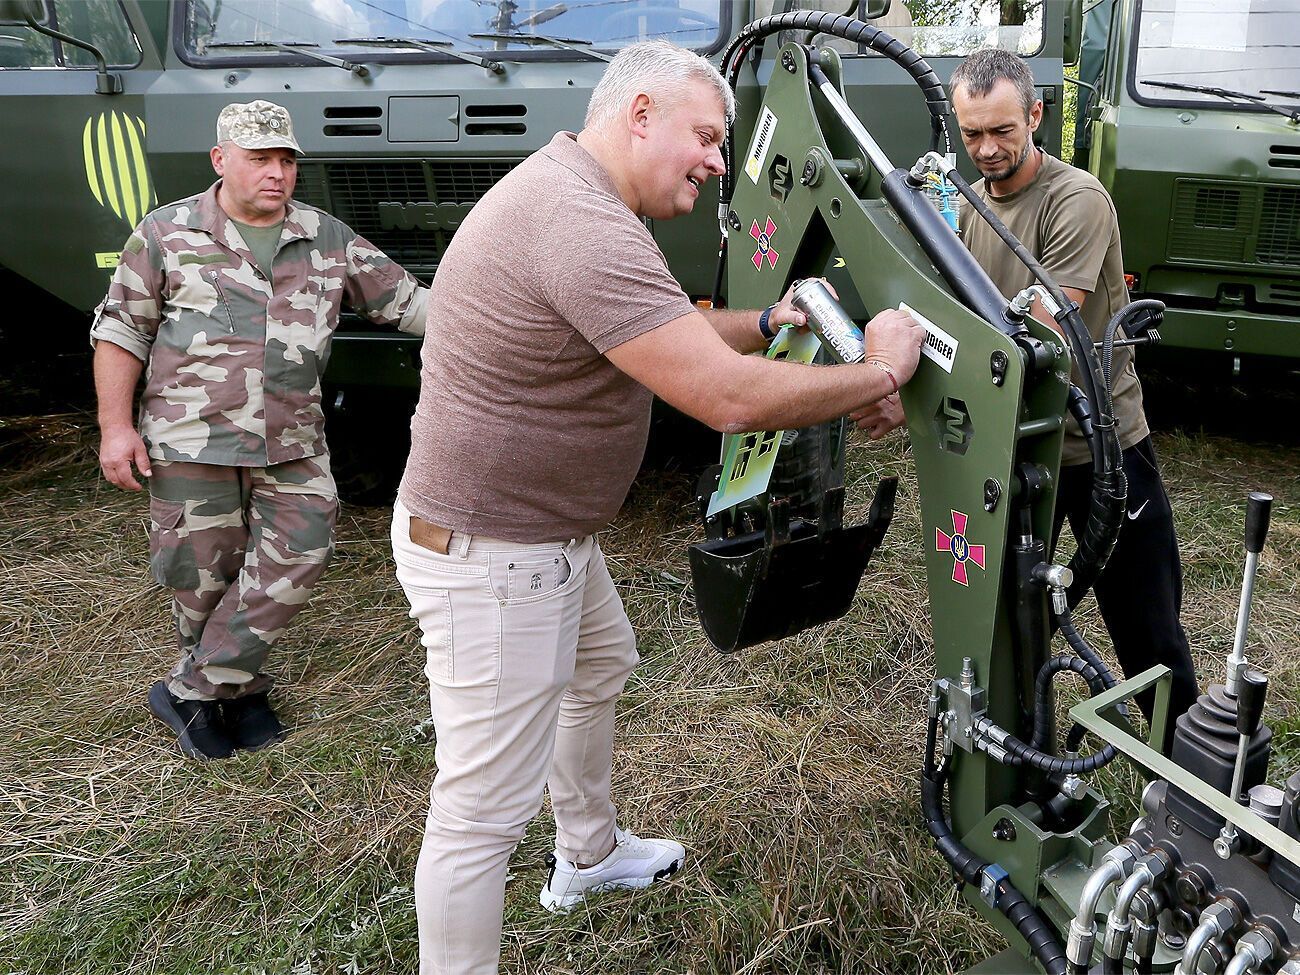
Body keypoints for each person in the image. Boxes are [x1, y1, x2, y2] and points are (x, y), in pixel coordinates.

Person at [391, 40, 925, 975]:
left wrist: (769, 320)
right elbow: (726, 397)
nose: (721, 162)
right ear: (640, 113)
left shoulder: (582, 195)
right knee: (479, 815)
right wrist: (879, 369)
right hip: (495, 550)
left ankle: (589, 853)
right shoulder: (577, 219)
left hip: (542, 534)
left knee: (599, 664)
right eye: (709, 137)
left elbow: (663, 327)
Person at [91, 100, 428, 761]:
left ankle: (192, 689)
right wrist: (114, 427)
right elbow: (121, 329)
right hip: (190, 438)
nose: (277, 173)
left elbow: (411, 303)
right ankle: (235, 695)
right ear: (221, 160)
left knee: (301, 550)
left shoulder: (325, 235)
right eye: (260, 159)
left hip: (292, 439)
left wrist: (509, 322)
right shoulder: (167, 232)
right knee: (199, 578)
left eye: (286, 160)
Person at [947, 48, 1197, 727]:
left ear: (1035, 115)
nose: (987, 149)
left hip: (1099, 450)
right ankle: (1019, 751)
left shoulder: (1075, 199)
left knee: (1147, 630)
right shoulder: (972, 206)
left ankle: (1196, 786)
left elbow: (1042, 323)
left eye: (1002, 130)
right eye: (972, 134)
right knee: (1004, 618)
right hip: (1017, 445)